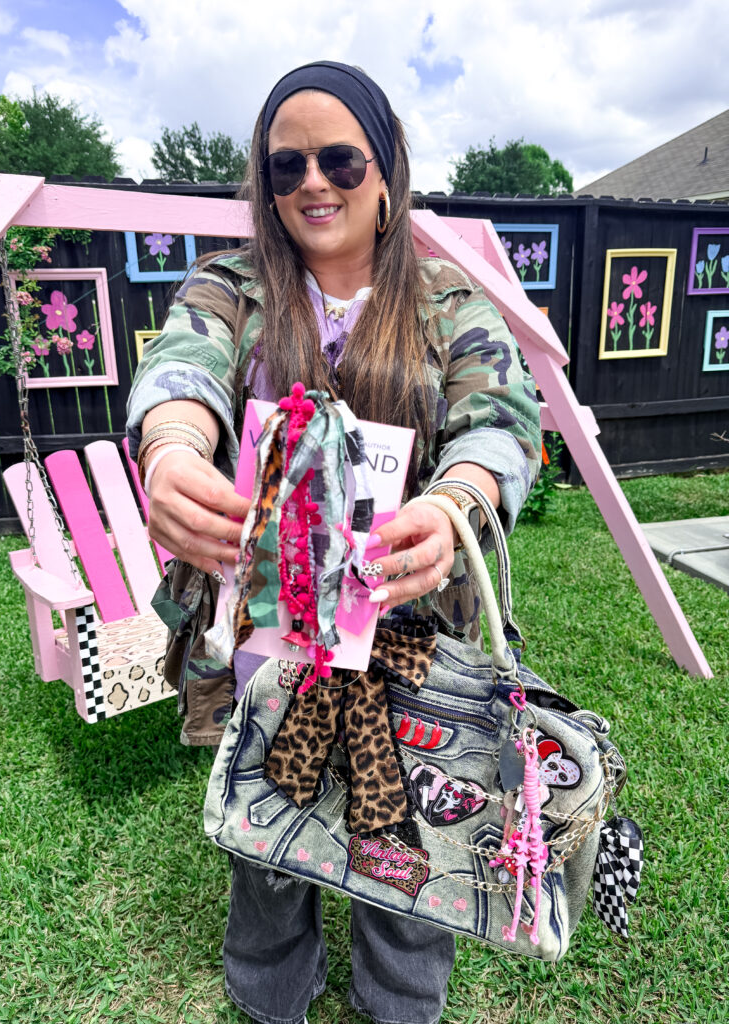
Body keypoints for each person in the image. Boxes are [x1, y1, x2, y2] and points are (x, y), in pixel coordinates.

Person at [127, 60, 541, 1024]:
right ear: (265, 189)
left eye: (341, 159)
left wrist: (454, 507)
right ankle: (270, 998)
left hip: (409, 641)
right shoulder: (233, 284)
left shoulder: (447, 301)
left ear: (386, 173)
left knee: (406, 838)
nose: (313, 182)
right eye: (286, 167)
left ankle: (401, 1004)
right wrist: (171, 446)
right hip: (271, 645)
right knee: (269, 837)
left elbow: (502, 420)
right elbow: (183, 359)